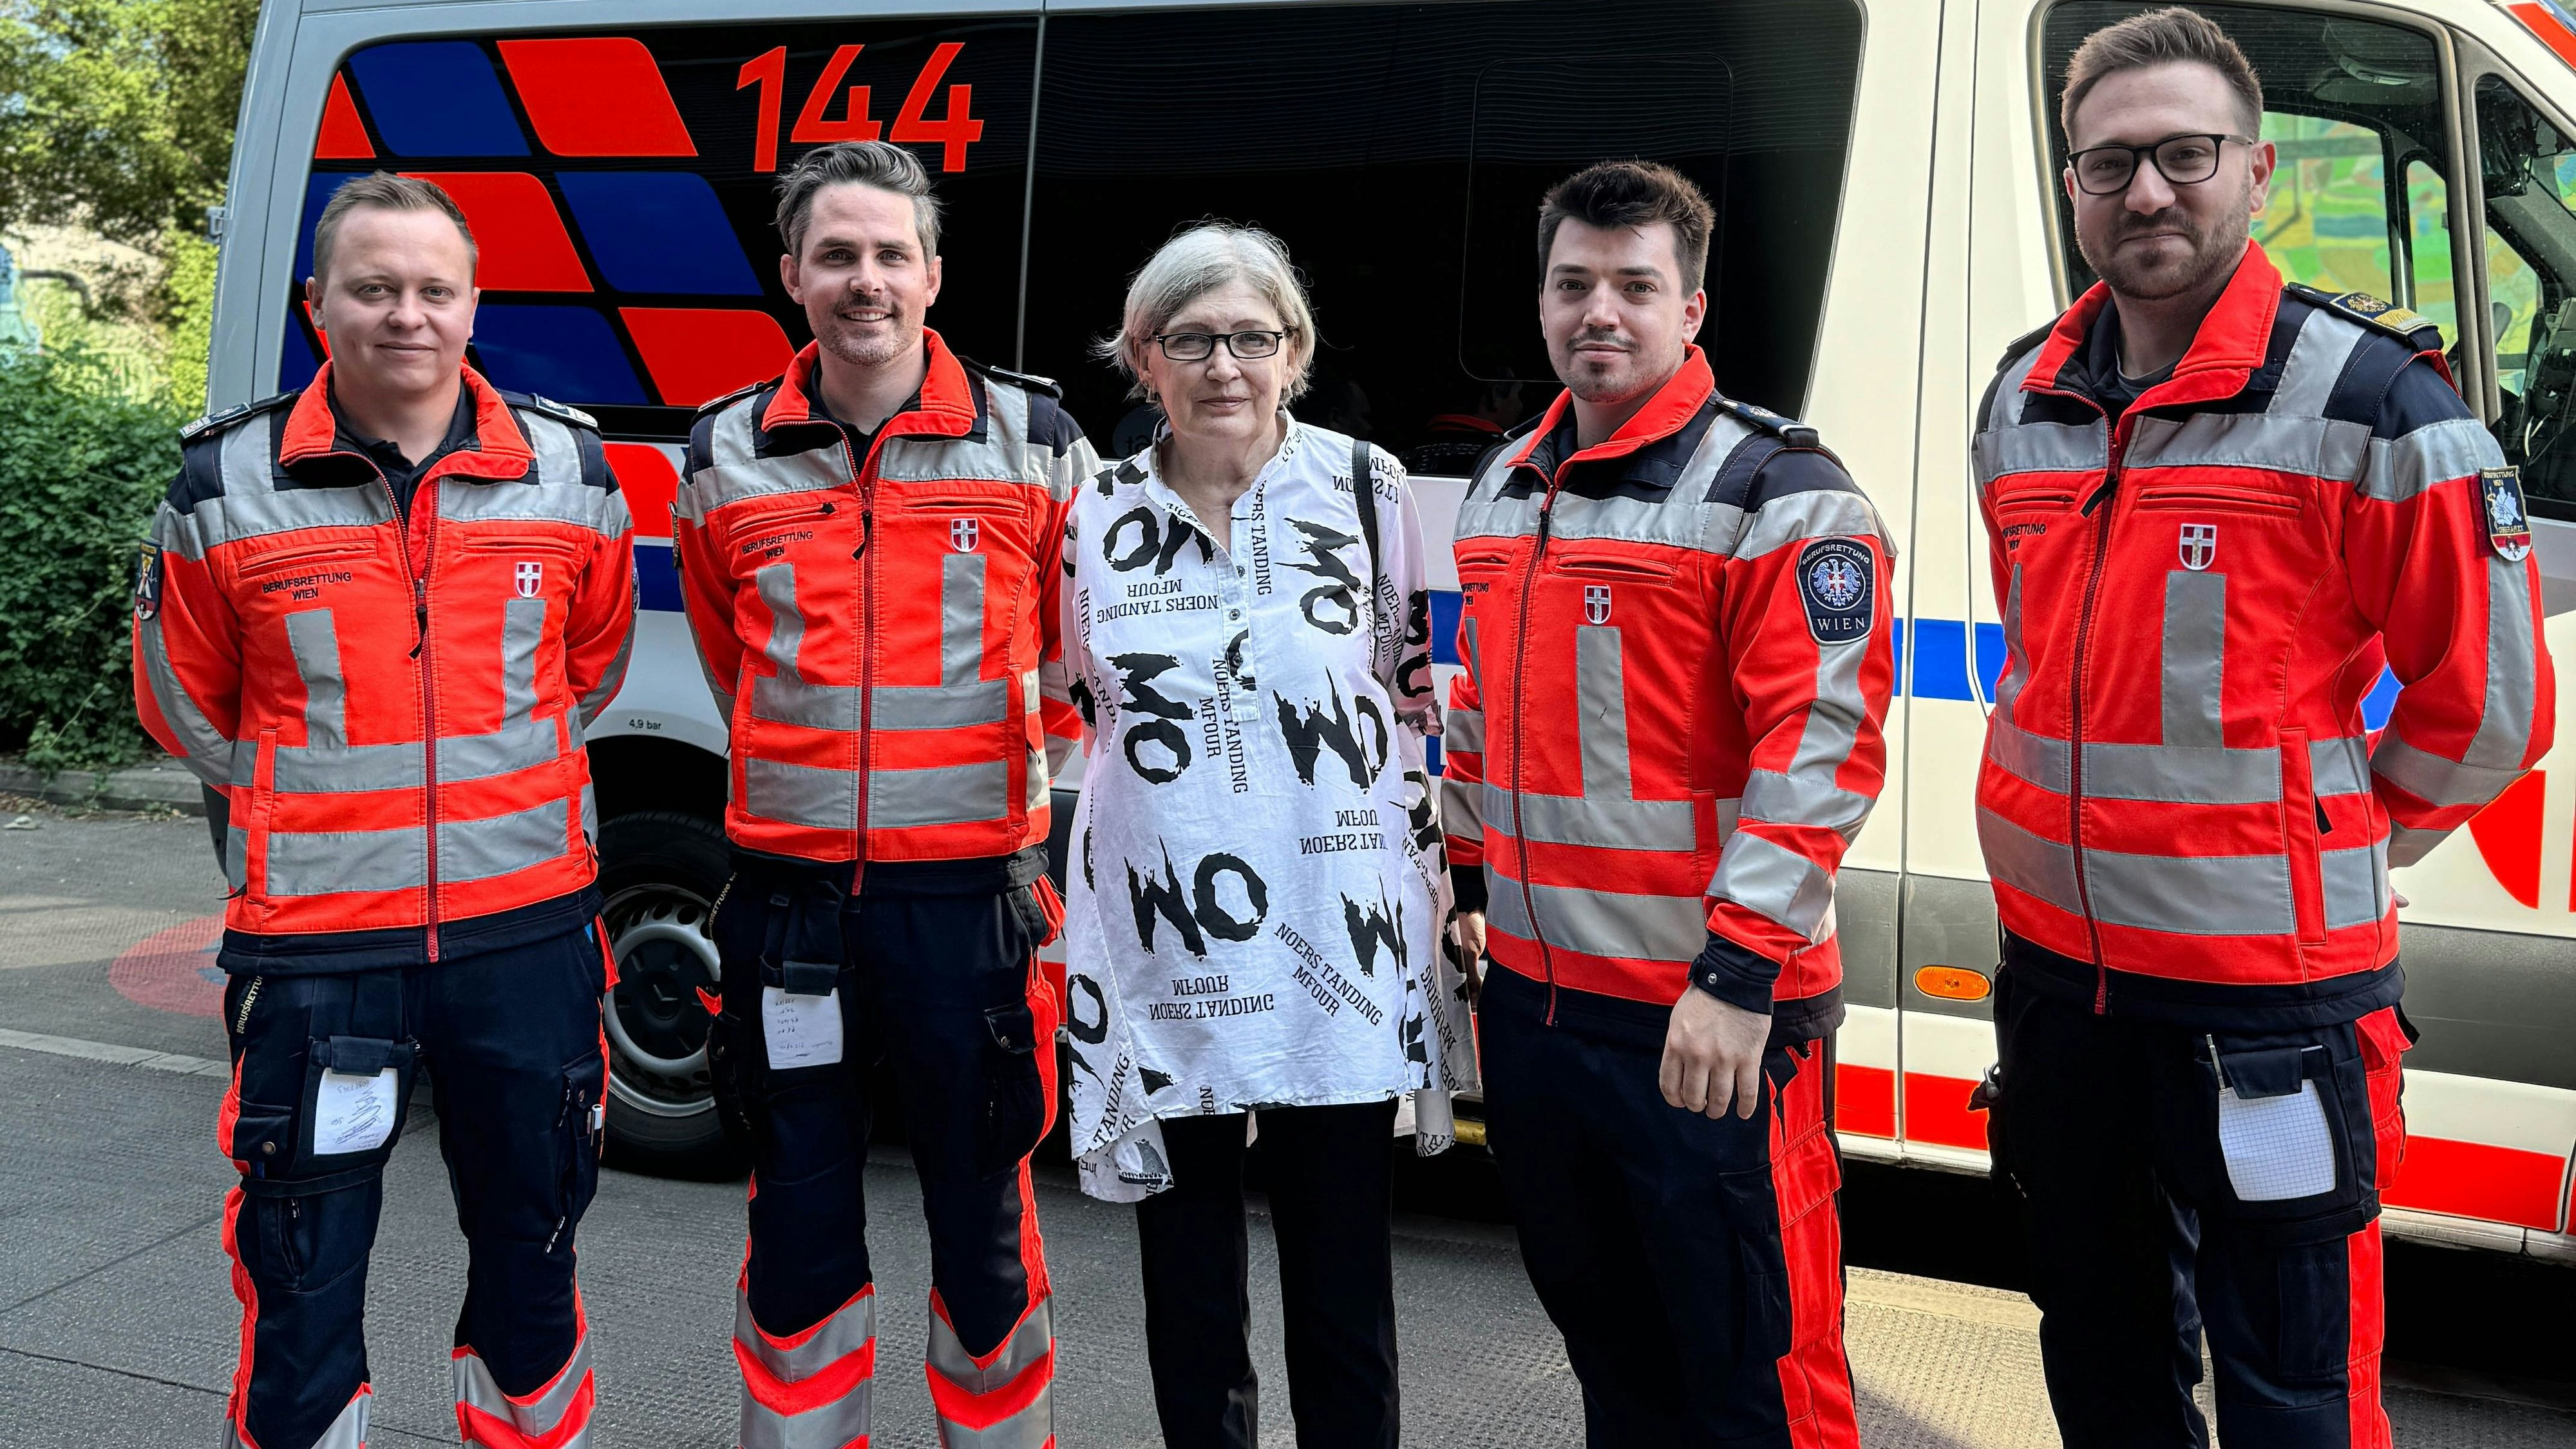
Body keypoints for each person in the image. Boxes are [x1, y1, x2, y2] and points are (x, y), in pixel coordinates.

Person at [1971, 10, 2555, 1445]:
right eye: (2109, 164)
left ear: (2253, 170)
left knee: (2293, 1392)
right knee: (2099, 1363)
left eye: (2183, 154)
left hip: (2268, 1017)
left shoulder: (2375, 404)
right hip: (2063, 999)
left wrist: (2328, 836)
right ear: (2069, 186)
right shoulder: (2020, 397)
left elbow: (2484, 711)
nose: (2147, 193)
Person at [131, 172, 636, 1449]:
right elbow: (183, 701)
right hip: (317, 952)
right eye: (372, 288)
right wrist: (317, 813)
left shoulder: (569, 470)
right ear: (319, 306)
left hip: (525, 939)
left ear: (472, 306)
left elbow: (590, 669)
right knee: (299, 1288)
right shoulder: (222, 484)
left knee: (535, 1259)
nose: (404, 314)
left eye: (431, 288)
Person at [1444, 160, 1889, 1448]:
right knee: (1615, 1360)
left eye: (1635, 287)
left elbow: (1819, 751)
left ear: (1689, 310)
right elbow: (1479, 714)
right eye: (1573, 282)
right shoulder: (1503, 489)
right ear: (1539, 302)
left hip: (1708, 1025)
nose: (1601, 310)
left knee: (1760, 1373)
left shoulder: (1776, 491)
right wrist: (1468, 887)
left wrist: (1738, 977)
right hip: (1536, 1016)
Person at [669, 140, 1095, 1449]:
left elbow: (1079, 668)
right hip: (789, 912)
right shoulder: (724, 451)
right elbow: (729, 654)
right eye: (837, 256)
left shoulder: (1036, 439)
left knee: (982, 1230)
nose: (867, 282)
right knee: (796, 1223)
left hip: (971, 912)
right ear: (791, 275)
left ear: (934, 273)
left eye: (890, 255)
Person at [1054, 222, 1477, 1449]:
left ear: (1293, 351)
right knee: (1190, 1306)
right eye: (1192, 339)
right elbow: (1083, 701)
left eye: (1251, 336)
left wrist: (1439, 893)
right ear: (1145, 359)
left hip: (1335, 958)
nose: (1223, 364)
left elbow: (1408, 697)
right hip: (1163, 954)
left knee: (1344, 1301)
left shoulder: (1367, 487)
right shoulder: (1091, 514)